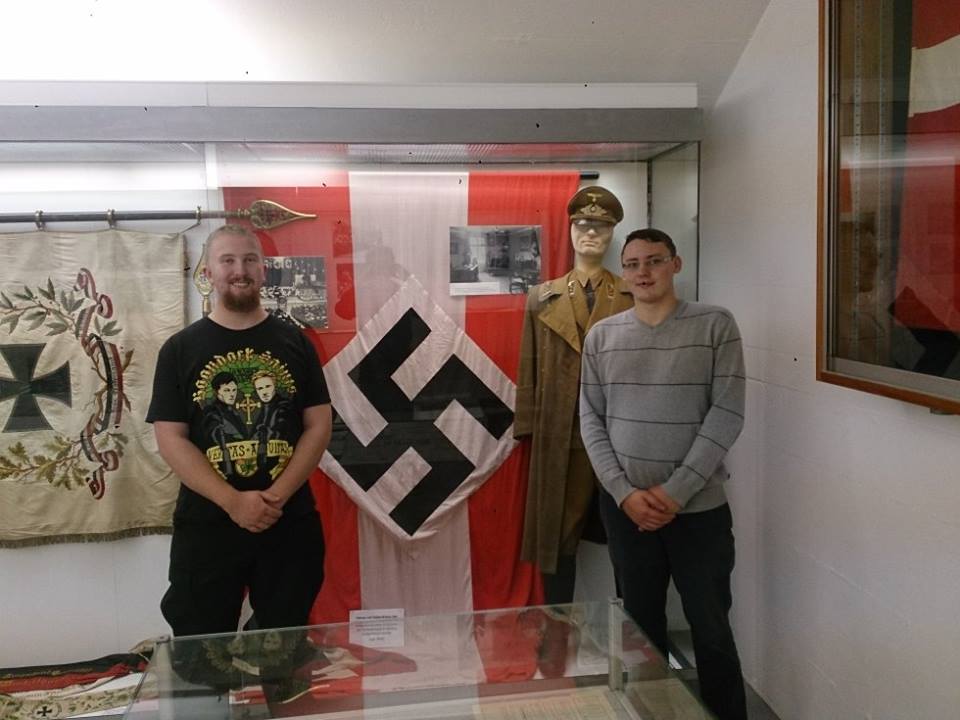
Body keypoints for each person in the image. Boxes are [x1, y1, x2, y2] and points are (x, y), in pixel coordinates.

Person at [579, 228, 747, 720]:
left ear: (676, 264)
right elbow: (590, 420)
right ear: (623, 273)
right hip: (626, 513)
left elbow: (727, 413)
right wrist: (623, 493)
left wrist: (676, 492)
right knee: (640, 632)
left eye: (654, 260)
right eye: (632, 264)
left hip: (699, 511)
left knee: (711, 630)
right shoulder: (602, 336)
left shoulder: (715, 325)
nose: (643, 272)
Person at [147, 224, 332, 636]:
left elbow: (319, 425)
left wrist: (275, 497)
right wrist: (232, 502)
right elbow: (170, 438)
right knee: (201, 646)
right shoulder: (179, 350)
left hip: (287, 519)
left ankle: (279, 685)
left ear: (264, 270)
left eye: (250, 260)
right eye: (227, 260)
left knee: (285, 644)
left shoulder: (297, 343)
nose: (240, 270)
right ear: (208, 272)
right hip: (207, 523)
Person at [515, 186, 634, 603]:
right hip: (559, 435)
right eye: (583, 225)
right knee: (556, 539)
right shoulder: (541, 297)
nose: (591, 234)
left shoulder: (631, 297)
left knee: (627, 535)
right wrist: (527, 423)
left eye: (601, 226)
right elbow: (528, 364)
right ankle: (556, 624)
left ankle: (633, 624)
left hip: (619, 435)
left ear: (613, 233)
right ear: (569, 230)